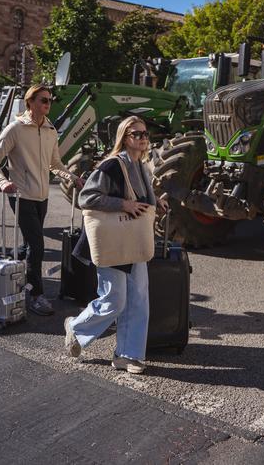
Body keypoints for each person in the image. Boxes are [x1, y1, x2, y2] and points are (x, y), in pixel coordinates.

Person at [63, 116, 166, 373]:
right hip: (113, 240)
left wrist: (157, 203)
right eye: (136, 134)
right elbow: (87, 196)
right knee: (115, 300)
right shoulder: (112, 165)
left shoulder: (141, 165)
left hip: (133, 239)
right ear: (124, 137)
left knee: (139, 299)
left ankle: (127, 355)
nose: (143, 138)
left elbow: (141, 197)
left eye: (144, 134)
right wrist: (123, 205)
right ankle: (76, 328)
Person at [0, 84, 84, 316]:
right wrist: (2, 182)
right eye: (42, 100)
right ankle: (36, 295)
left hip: (42, 197)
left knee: (30, 245)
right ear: (30, 102)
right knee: (37, 246)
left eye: (49, 100)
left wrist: (71, 177)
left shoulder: (50, 130)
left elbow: (55, 164)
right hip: (21, 196)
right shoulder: (15, 129)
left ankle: (9, 269)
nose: (47, 104)